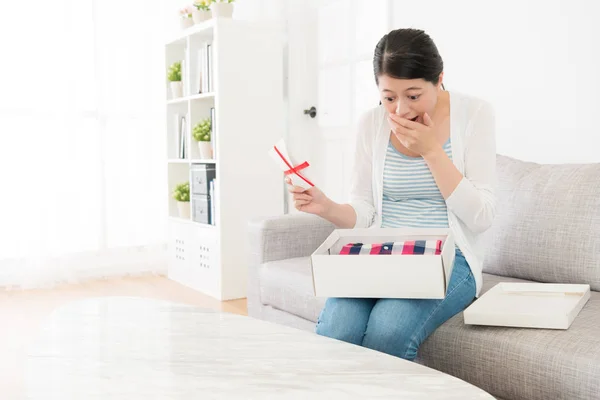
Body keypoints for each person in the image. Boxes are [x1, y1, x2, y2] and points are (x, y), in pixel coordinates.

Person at [286, 28, 496, 361]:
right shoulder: (370, 124)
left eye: (413, 96)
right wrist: (326, 207)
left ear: (439, 79)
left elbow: (482, 216)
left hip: (449, 257)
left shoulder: (475, 114)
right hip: (380, 254)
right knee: (336, 333)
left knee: (388, 332)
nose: (399, 109)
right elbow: (364, 211)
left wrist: (432, 151)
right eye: (388, 97)